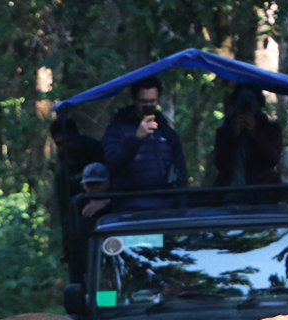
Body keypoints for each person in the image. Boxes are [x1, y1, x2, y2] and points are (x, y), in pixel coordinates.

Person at [102, 76, 188, 210]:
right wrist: (136, 138)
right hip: (132, 208)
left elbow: (181, 172)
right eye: (143, 101)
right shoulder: (117, 130)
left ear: (158, 100)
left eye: (152, 101)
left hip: (168, 208)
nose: (148, 106)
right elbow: (114, 167)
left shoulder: (167, 132)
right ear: (134, 100)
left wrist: (182, 208)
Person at [51, 117, 105, 266]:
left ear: (77, 136)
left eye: (68, 141)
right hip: (83, 226)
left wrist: (106, 201)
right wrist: (67, 243)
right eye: (59, 144)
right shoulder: (63, 171)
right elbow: (65, 211)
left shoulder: (100, 151)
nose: (65, 148)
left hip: (111, 219)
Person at [212, 85, 283, 197]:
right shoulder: (224, 131)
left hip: (260, 192)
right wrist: (234, 136)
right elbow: (220, 164)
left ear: (259, 103)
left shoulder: (270, 129)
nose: (246, 102)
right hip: (229, 192)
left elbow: (274, 159)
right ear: (235, 103)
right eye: (242, 99)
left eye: (251, 99)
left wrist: (255, 134)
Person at [68, 162, 112, 283]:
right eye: (90, 184)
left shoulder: (118, 207)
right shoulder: (78, 210)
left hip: (117, 270)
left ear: (107, 183)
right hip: (94, 276)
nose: (94, 188)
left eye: (98, 184)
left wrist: (107, 203)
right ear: (84, 187)